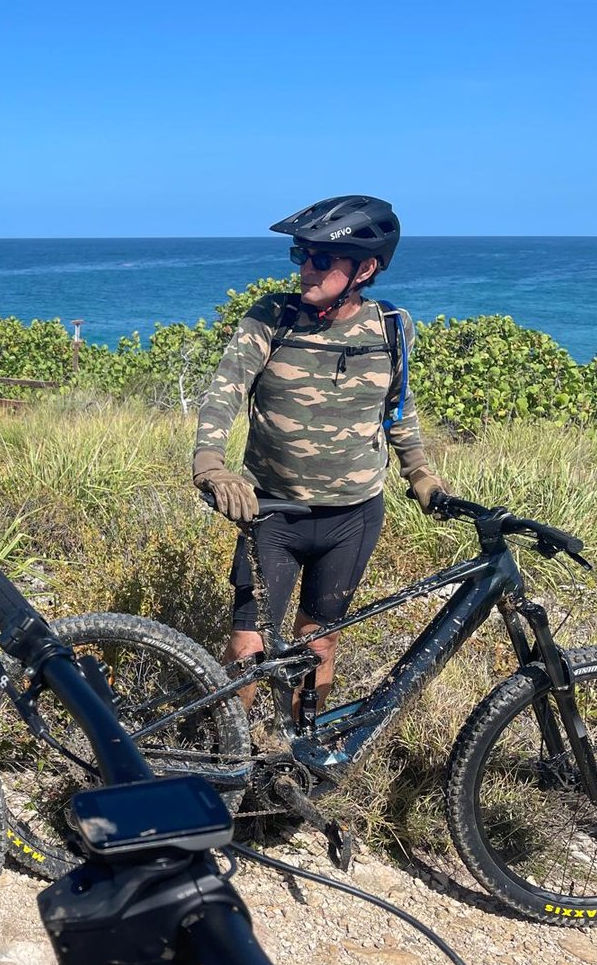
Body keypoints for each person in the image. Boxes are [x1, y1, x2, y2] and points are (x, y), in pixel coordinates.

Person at [192, 195, 449, 710]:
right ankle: (229, 754)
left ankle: (299, 759)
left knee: (320, 643)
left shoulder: (392, 326)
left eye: (322, 259)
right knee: (248, 645)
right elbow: (226, 390)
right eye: (300, 255)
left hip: (352, 517)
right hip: (274, 512)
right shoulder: (273, 317)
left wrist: (419, 471)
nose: (307, 268)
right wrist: (211, 465)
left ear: (365, 268)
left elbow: (397, 405)